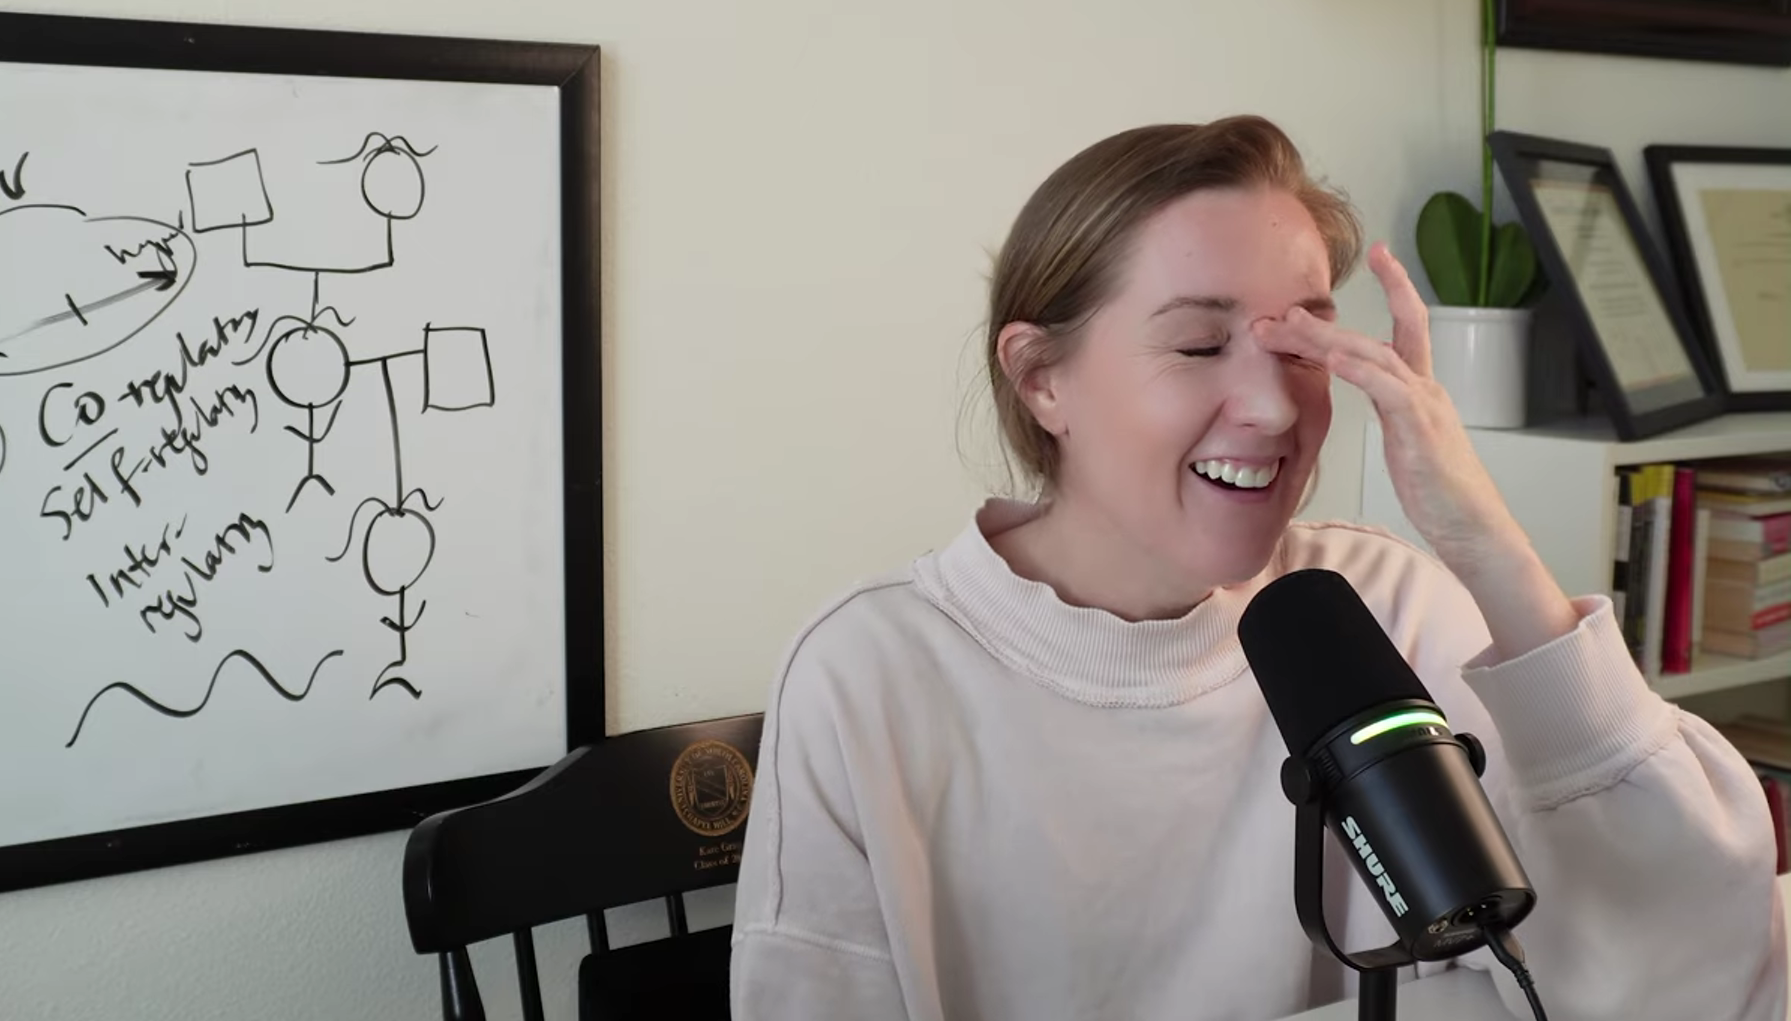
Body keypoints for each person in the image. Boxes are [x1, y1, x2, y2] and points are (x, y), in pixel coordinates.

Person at [727, 115, 1788, 1020]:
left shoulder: (1377, 611)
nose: (1276, 407)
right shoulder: (867, 671)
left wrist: (1484, 542)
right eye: (1197, 347)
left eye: (1298, 346)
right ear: (1042, 377)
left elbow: (1702, 956)